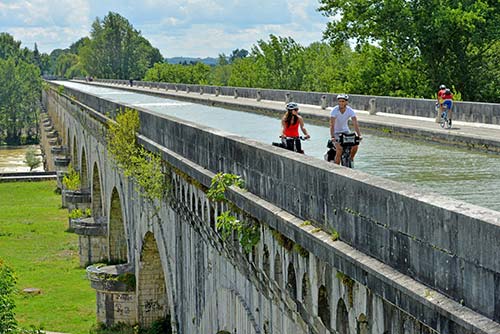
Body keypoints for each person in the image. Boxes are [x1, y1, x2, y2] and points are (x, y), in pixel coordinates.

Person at [329, 94, 361, 165]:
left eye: (343, 101)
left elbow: (355, 123)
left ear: (346, 102)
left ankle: (351, 158)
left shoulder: (350, 110)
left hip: (346, 131)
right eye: (339, 101)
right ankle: (336, 167)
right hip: (336, 132)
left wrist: (359, 135)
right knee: (339, 150)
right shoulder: (334, 110)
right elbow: (332, 125)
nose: (341, 103)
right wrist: (332, 136)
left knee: (355, 145)